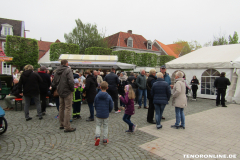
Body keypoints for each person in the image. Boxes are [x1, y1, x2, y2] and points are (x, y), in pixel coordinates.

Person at [52, 59, 75, 132]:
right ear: (67, 63)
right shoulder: (68, 70)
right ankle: (67, 126)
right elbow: (71, 81)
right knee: (68, 108)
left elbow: (54, 82)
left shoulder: (57, 71)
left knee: (61, 107)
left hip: (60, 91)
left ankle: (61, 124)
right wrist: (72, 89)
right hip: (67, 91)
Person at [94, 81, 113, 146]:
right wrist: (109, 111)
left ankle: (97, 137)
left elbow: (95, 104)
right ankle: (105, 139)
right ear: (107, 88)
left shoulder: (97, 96)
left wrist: (97, 110)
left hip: (99, 114)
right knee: (105, 126)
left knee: (98, 126)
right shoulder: (109, 96)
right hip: (105, 114)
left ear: (100, 87)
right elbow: (111, 106)